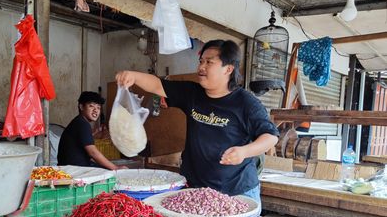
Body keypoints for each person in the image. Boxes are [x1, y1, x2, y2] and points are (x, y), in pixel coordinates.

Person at [116, 39, 279, 206]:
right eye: (201, 61)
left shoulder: (246, 103)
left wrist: (244, 151)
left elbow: (270, 137)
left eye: (209, 62)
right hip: (195, 189)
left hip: (236, 191)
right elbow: (158, 85)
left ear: (228, 69)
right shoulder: (192, 93)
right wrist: (133, 76)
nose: (201, 67)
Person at [57, 91, 125, 170]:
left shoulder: (79, 121)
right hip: (73, 170)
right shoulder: (82, 124)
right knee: (111, 171)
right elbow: (92, 152)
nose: (96, 110)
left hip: (73, 167)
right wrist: (115, 168)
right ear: (81, 107)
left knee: (104, 167)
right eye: (91, 106)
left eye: (98, 107)